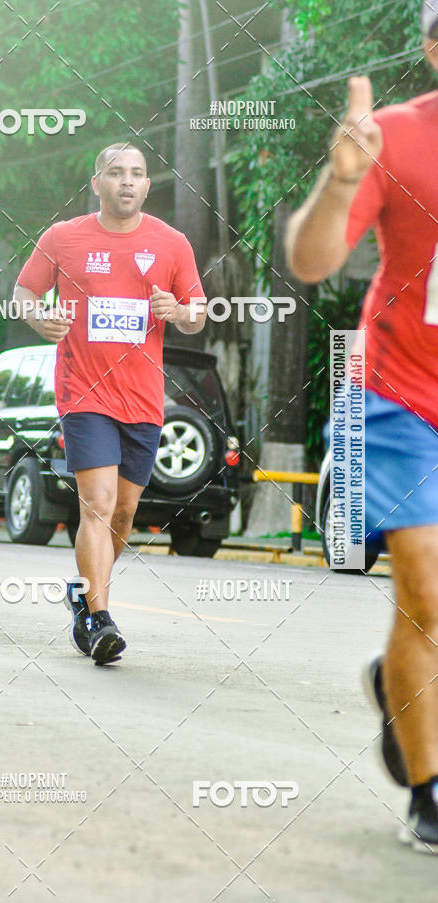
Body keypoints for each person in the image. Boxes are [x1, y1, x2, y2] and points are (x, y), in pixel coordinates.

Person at [285, 4, 438, 851]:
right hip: (405, 392)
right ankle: (430, 788)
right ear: (431, 48)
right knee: (426, 589)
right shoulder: (394, 137)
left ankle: (402, 685)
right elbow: (313, 263)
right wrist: (342, 179)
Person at [14, 143, 207, 665]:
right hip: (84, 393)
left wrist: (180, 309)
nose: (127, 181)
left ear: (147, 186)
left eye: (137, 174)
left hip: (144, 400)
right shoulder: (64, 237)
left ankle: (83, 594)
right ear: (96, 182)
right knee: (96, 504)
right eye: (116, 173)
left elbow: (198, 313)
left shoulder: (171, 243)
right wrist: (39, 319)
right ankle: (99, 619)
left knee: (123, 514)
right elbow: (24, 291)